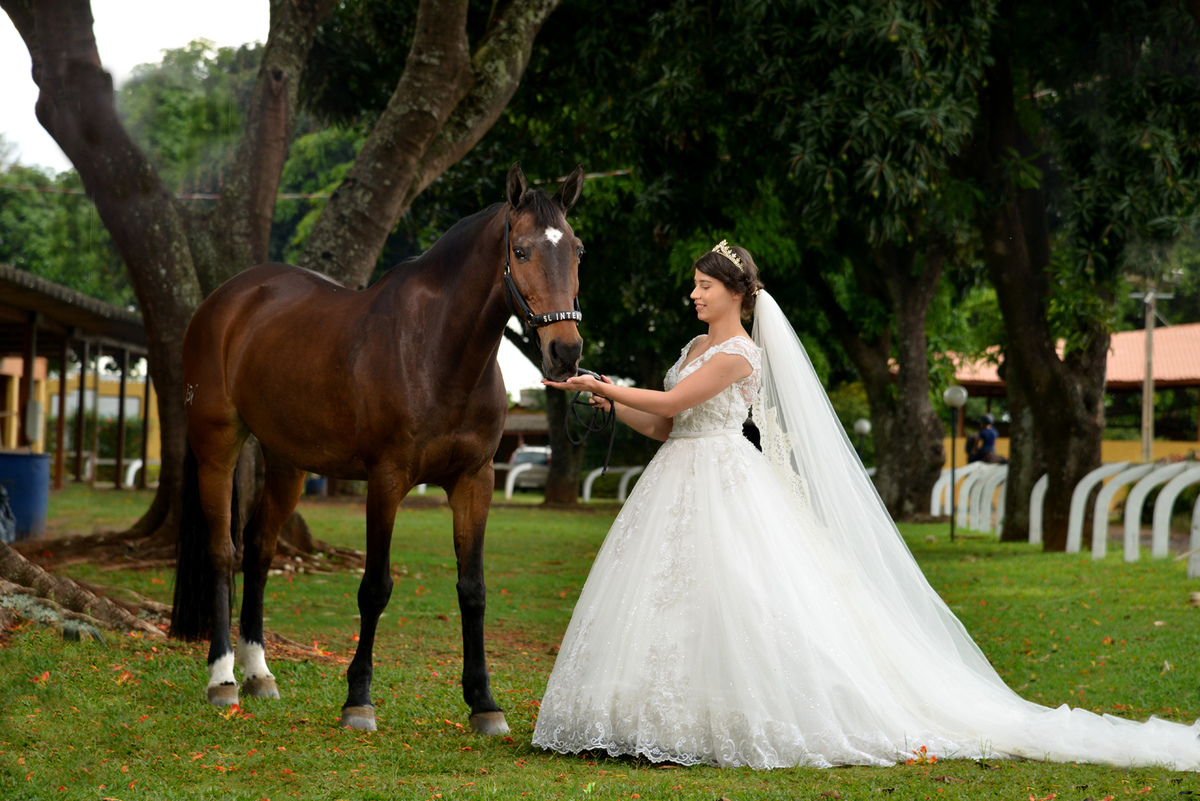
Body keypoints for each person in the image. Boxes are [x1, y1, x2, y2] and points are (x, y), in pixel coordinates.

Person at [531, 241, 1200, 770]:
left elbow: (676, 402)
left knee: (737, 595)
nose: (694, 293)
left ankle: (733, 715)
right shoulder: (694, 348)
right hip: (677, 475)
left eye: (704, 284)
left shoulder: (738, 354)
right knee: (664, 599)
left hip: (724, 480)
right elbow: (665, 426)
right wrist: (615, 402)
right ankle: (643, 715)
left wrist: (606, 383)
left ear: (736, 292)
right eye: (695, 284)